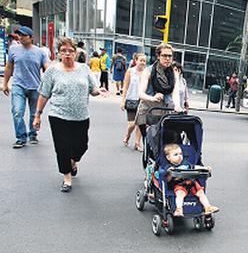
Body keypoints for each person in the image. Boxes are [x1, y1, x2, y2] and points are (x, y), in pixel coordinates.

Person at [32, 37, 107, 192]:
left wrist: (98, 91)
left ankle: (73, 162)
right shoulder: (52, 70)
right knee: (62, 148)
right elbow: (44, 94)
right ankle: (67, 178)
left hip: (81, 116)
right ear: (59, 53)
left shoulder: (84, 69)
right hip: (58, 116)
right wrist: (37, 115)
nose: (67, 54)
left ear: (75, 53)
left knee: (82, 146)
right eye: (63, 51)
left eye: (70, 51)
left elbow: (93, 89)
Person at [2, 26, 50, 148]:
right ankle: (21, 137)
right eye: (19, 35)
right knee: (17, 111)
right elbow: (9, 67)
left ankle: (33, 134)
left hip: (35, 87)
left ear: (31, 37)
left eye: (23, 35)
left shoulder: (40, 52)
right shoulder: (13, 49)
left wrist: (49, 86)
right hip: (18, 85)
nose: (21, 37)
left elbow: (47, 69)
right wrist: (5, 84)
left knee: (34, 113)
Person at [136, 43, 182, 142]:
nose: (167, 58)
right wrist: (152, 98)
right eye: (164, 55)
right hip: (148, 110)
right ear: (158, 56)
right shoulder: (148, 71)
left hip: (164, 110)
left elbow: (175, 92)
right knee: (150, 141)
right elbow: (140, 93)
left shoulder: (174, 74)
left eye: (170, 56)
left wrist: (177, 105)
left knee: (165, 141)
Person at [162, 143, 220, 217]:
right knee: (179, 195)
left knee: (201, 193)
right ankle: (179, 209)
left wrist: (204, 168)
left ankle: (207, 207)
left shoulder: (186, 163)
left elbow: (194, 167)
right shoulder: (169, 167)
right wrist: (169, 173)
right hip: (180, 185)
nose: (179, 156)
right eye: (176, 155)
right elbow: (167, 179)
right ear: (168, 157)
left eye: (181, 154)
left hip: (192, 183)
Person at [121, 53, 147, 151]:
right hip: (131, 99)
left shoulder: (146, 73)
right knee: (132, 124)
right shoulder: (130, 72)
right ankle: (127, 135)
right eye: (141, 60)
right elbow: (126, 87)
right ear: (136, 60)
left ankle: (137, 143)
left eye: (144, 61)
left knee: (140, 123)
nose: (143, 63)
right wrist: (123, 100)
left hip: (142, 101)